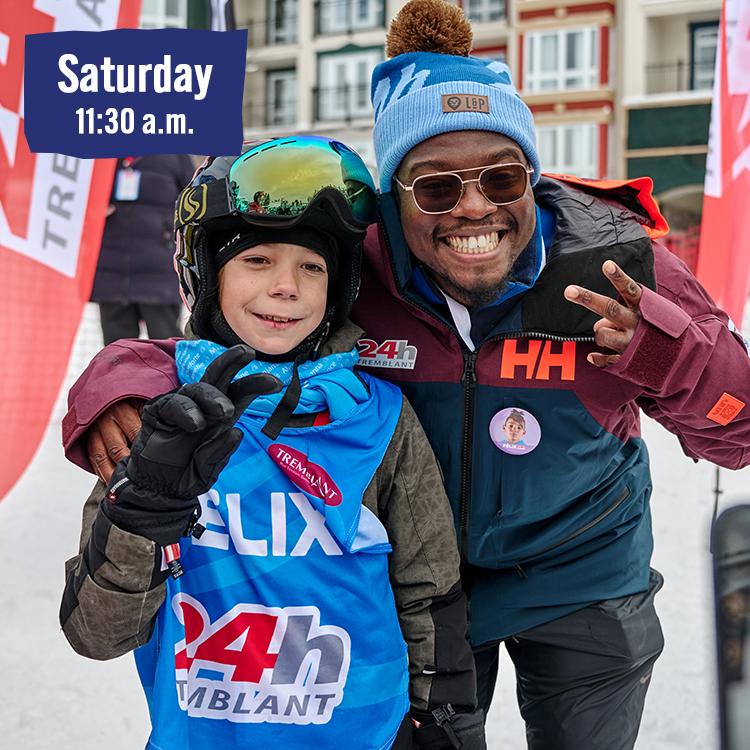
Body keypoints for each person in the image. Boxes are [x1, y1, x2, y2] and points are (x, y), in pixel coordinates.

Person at [61, 1, 750, 748]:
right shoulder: (358, 267)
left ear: (531, 176)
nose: (474, 208)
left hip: (581, 570)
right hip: (429, 587)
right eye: (437, 188)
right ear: (393, 203)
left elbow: (740, 431)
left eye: (502, 176)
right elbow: (220, 339)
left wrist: (671, 355)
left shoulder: (618, 266)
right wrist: (116, 384)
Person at [60, 136, 484, 750]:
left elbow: (429, 583)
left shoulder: (381, 418)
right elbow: (97, 634)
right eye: (257, 260)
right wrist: (142, 511)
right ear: (206, 274)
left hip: (364, 731)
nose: (287, 287)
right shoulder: (160, 420)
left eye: (312, 267)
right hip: (205, 734)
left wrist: (444, 718)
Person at [91, 154, 195, 344]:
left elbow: (194, 203)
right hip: (112, 271)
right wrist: (95, 207)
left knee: (167, 347)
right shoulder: (100, 155)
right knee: (117, 353)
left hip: (159, 271)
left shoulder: (176, 155)